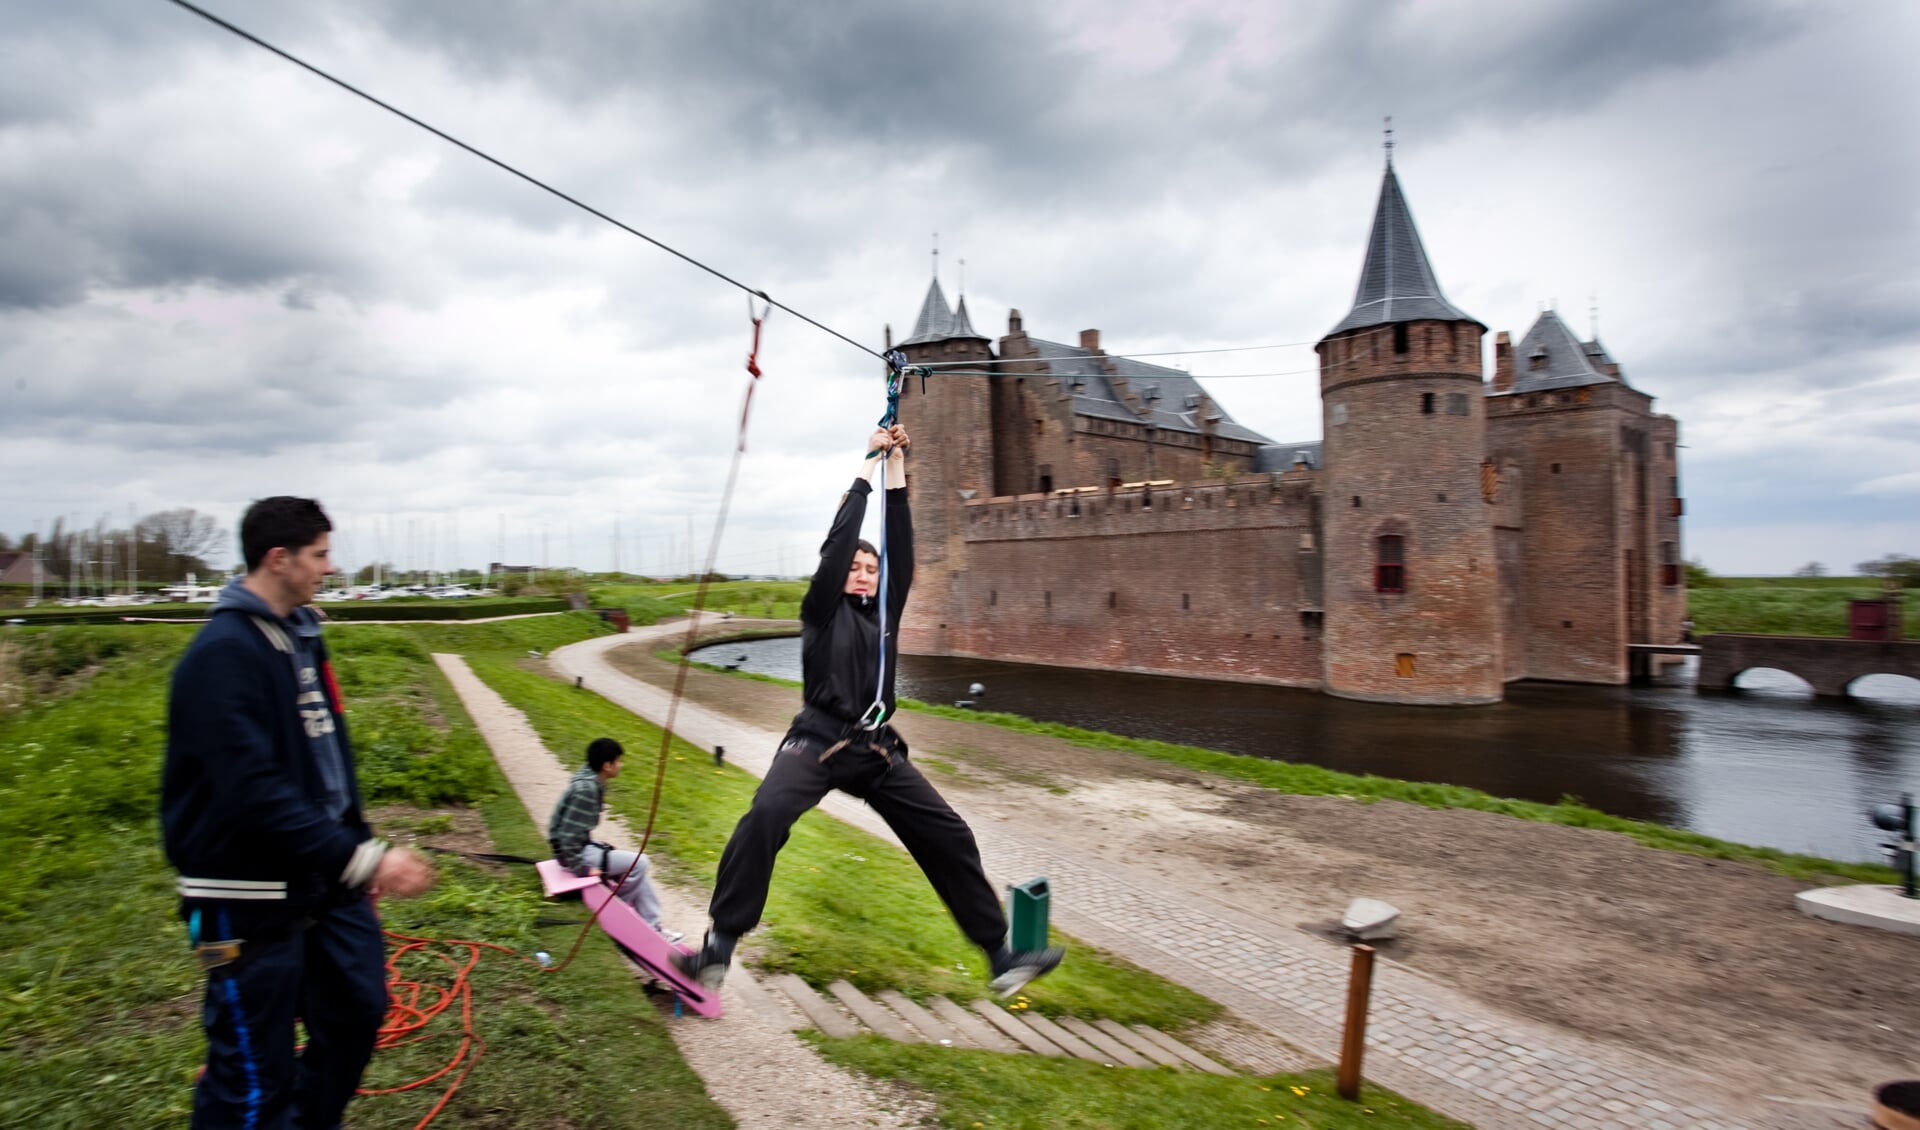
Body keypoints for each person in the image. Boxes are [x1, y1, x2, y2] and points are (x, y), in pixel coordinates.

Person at [676, 423, 1063, 996]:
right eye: (855, 569)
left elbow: (901, 541)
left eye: (870, 569)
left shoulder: (885, 615)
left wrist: (900, 464)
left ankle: (1000, 955)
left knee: (949, 833)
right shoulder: (820, 611)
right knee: (764, 816)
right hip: (817, 742)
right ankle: (719, 947)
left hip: (876, 749)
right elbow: (839, 544)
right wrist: (867, 465)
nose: (863, 574)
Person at [162, 495, 435, 1130]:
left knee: (357, 1011)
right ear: (277, 559)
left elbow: (329, 763)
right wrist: (362, 858)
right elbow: (251, 792)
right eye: (320, 555)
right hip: (241, 898)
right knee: (253, 1071)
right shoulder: (222, 655)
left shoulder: (301, 640)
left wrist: (356, 851)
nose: (329, 568)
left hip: (321, 879)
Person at [548, 736, 676, 940]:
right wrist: (584, 868)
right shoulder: (586, 790)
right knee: (640, 863)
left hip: (580, 848)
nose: (621, 765)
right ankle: (616, 911)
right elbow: (567, 837)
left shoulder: (592, 778)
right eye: (618, 761)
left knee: (636, 869)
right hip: (573, 855)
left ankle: (653, 927)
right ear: (607, 766)